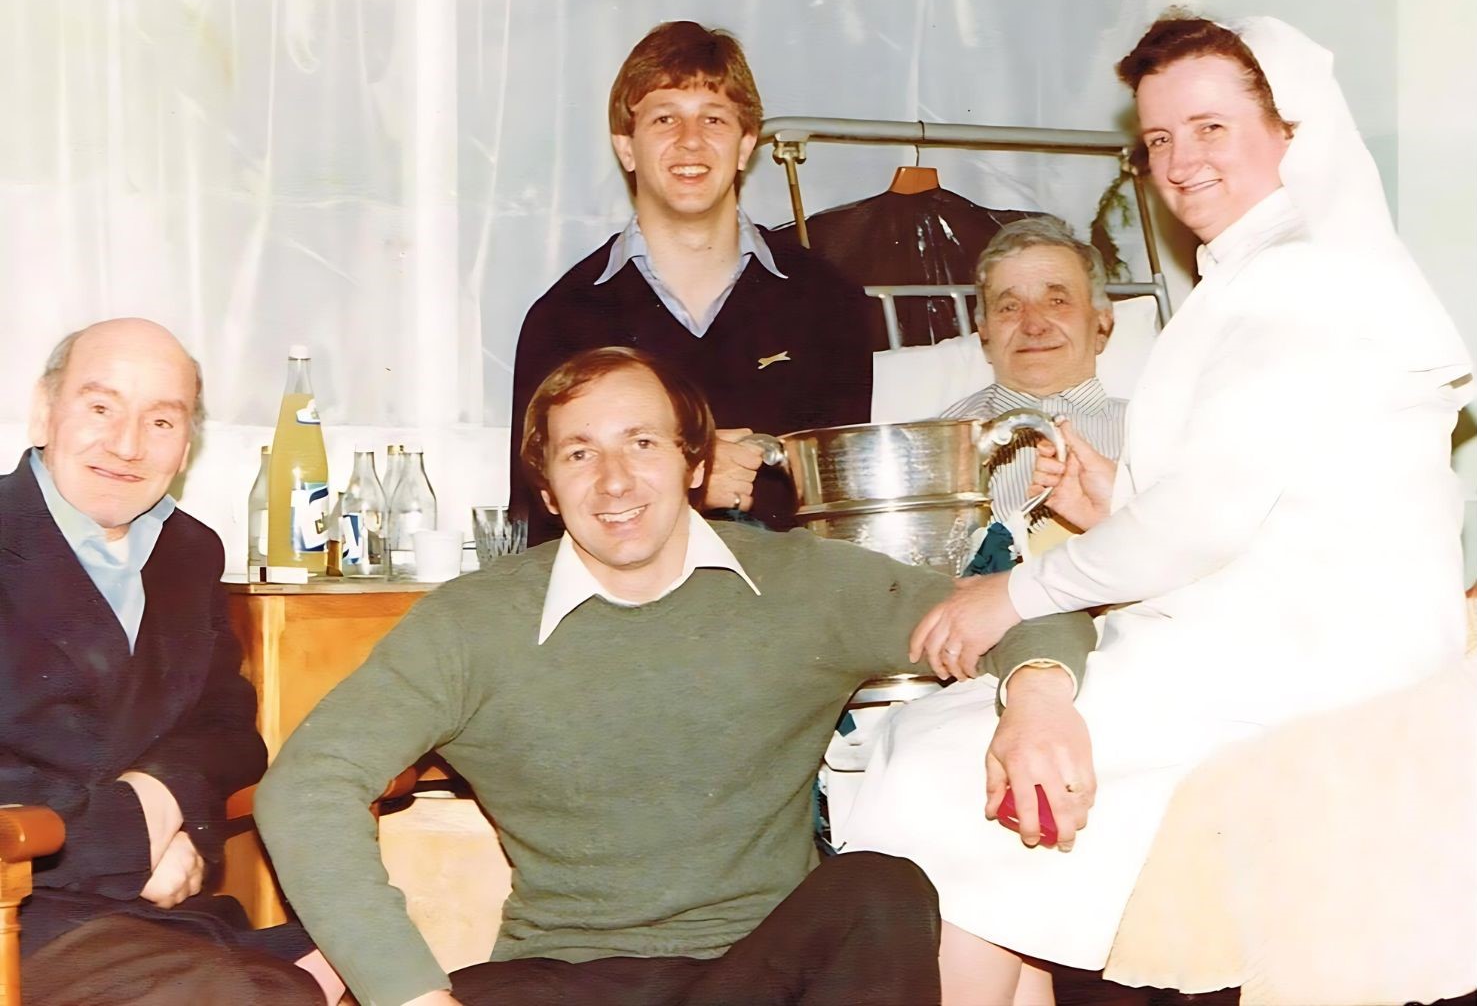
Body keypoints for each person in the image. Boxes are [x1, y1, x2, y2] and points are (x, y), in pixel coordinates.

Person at [840, 13, 1472, 1005]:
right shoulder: (1248, 279)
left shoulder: (1304, 279)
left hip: (1319, 651)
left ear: (1290, 133)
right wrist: (1111, 503)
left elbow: (1212, 522)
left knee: (927, 768)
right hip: (1274, 626)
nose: (1180, 162)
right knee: (951, 757)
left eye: (1211, 128)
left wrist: (1015, 594)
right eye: (1159, 140)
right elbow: (1255, 498)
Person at [255, 346, 1098, 1006]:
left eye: (643, 443)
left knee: (881, 889)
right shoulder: (471, 620)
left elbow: (1022, 603)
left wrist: (1036, 695)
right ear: (546, 487)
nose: (614, 481)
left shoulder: (804, 584)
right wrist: (409, 994)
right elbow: (305, 786)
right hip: (565, 976)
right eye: (578, 453)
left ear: (695, 464)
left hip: (765, 972)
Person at [0, 319, 337, 1004]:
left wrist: (163, 799)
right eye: (101, 408)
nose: (127, 445)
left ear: (186, 445)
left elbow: (228, 729)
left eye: (161, 420)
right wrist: (129, 842)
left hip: (159, 909)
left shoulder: (189, 550)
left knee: (376, 963)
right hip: (22, 915)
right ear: (43, 411)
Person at [509, 20, 872, 546]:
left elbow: (843, 504)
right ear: (626, 148)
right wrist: (691, 481)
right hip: (628, 614)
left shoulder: (827, 301)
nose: (690, 141)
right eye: (663, 119)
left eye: (714, 119)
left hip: (788, 606)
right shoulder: (563, 319)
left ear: (746, 145)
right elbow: (540, 521)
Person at [940, 215, 1126, 554]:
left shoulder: (1156, 428)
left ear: (1101, 324)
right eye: (1009, 307)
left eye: (1057, 300)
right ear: (984, 334)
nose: (1033, 325)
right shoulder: (945, 439)